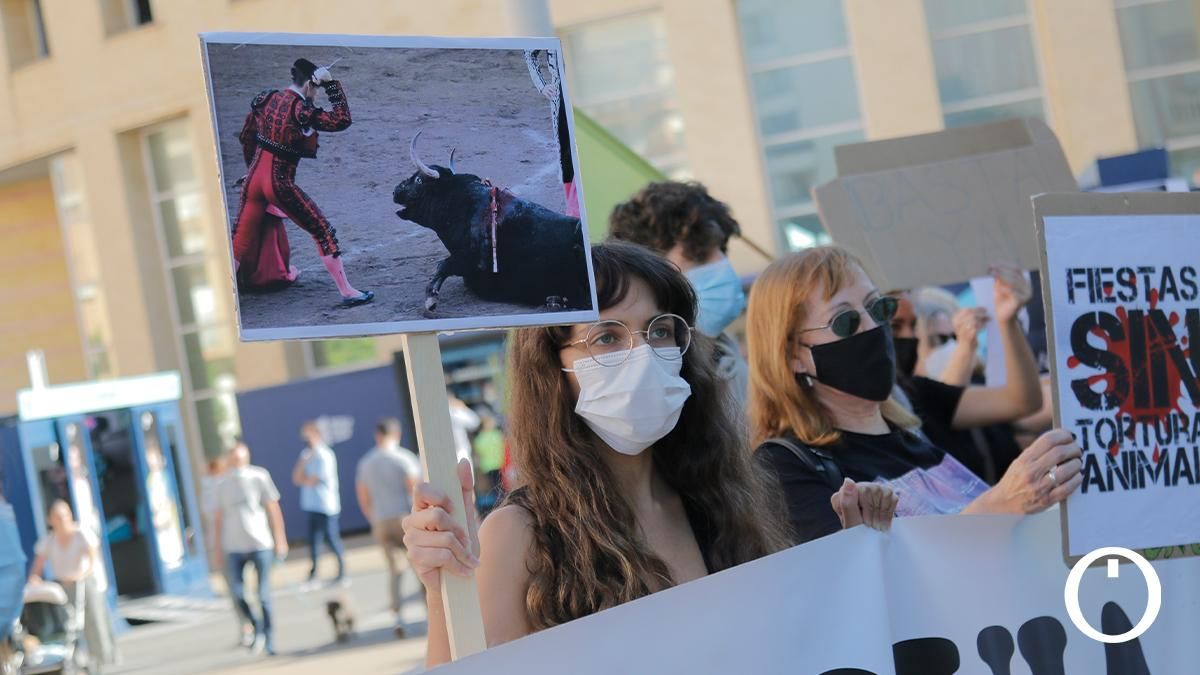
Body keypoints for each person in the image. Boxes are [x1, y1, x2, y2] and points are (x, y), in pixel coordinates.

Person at [403, 241, 793, 668]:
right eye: (607, 337)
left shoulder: (719, 501)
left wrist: (862, 534)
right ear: (552, 368)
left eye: (660, 331)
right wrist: (445, 590)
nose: (642, 355)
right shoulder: (519, 534)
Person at [747, 246, 1084, 544]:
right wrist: (999, 507)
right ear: (792, 354)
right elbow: (861, 592)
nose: (873, 328)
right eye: (845, 321)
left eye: (877, 309)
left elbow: (1019, 401)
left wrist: (1006, 320)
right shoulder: (785, 468)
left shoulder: (911, 428)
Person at [232, 57, 373, 307]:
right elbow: (342, 120)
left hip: (254, 178)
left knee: (239, 239)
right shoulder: (302, 111)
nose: (316, 94)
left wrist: (250, 170)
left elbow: (246, 136)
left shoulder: (265, 99)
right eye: (316, 89)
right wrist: (332, 86)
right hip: (279, 183)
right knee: (322, 230)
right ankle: (347, 292)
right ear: (310, 84)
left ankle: (226, 292)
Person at [888, 266, 1042, 482]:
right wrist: (965, 348)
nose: (908, 336)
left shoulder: (921, 393)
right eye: (895, 327)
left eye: (913, 326)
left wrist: (1008, 322)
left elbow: (1023, 401)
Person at [608, 181, 751, 408]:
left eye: (722, 251)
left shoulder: (729, 355)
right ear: (649, 269)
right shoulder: (638, 380)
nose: (723, 265)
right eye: (699, 256)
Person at [213, 442, 288, 656]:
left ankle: (270, 639)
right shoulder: (222, 484)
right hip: (233, 546)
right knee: (237, 594)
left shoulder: (259, 476)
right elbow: (218, 519)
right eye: (234, 459)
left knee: (262, 594)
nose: (237, 463)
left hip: (260, 543)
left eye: (240, 459)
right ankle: (257, 627)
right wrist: (217, 549)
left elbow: (273, 507)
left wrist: (280, 538)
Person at [27, 500, 117, 671]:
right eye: (57, 517)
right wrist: (34, 579)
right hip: (63, 587)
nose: (62, 520)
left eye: (65, 515)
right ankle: (74, 661)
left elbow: (93, 560)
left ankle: (100, 662)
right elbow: (36, 568)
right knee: (69, 627)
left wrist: (78, 575)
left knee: (93, 622)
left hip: (85, 584)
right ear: (50, 520)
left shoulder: (82, 533)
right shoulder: (48, 541)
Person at [355, 418, 422, 630]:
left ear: (377, 436)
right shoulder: (403, 458)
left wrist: (372, 518)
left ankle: (397, 615)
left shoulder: (366, 462)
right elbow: (415, 488)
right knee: (420, 566)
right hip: (404, 517)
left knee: (395, 570)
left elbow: (363, 495)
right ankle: (433, 612)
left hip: (381, 521)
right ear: (397, 434)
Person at [200, 454, 254, 647]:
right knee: (235, 590)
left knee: (238, 589)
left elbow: (218, 520)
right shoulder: (212, 490)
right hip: (225, 545)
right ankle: (247, 626)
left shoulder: (222, 489)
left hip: (230, 546)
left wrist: (216, 548)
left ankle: (250, 625)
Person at [294, 421, 346, 587]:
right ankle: (314, 573)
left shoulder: (325, 455)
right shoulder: (305, 455)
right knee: (314, 541)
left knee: (332, 540)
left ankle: (342, 572)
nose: (306, 442)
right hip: (311, 505)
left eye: (309, 438)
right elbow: (296, 478)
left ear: (317, 436)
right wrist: (303, 463)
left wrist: (305, 477)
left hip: (326, 506)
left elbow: (311, 480)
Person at [472, 416, 506, 501]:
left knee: (494, 486)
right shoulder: (497, 434)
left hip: (487, 466)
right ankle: (502, 501)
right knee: (500, 485)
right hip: (499, 463)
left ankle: (499, 501)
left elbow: (478, 453)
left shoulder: (479, 439)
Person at [447, 397, 480, 463]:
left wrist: (462, 408)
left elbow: (475, 422)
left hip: (461, 451)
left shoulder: (455, 411)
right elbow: (475, 422)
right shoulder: (453, 411)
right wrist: (462, 408)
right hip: (455, 451)